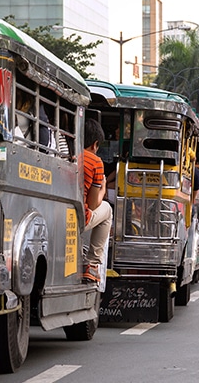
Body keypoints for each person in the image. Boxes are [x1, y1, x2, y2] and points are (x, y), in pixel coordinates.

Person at [81, 118, 113, 283]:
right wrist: (103, 188)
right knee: (107, 210)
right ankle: (91, 265)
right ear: (95, 144)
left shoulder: (68, 152)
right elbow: (93, 205)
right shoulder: (95, 162)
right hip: (79, 218)